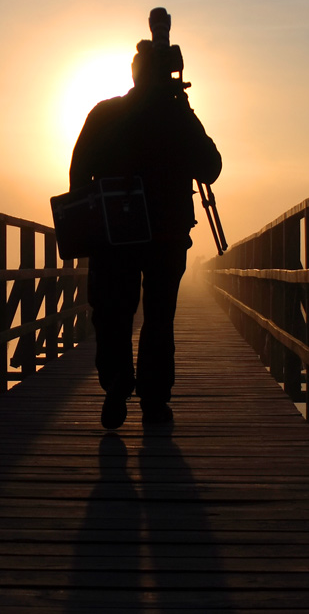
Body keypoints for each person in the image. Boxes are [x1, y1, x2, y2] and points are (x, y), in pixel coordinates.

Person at [69, 38, 221, 430]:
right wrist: (183, 113)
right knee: (158, 318)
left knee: (113, 313)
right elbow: (210, 168)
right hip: (166, 236)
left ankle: (117, 380)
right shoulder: (177, 118)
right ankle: (153, 402)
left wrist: (85, 223)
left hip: (114, 236)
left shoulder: (105, 113)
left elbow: (77, 172)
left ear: (135, 74)